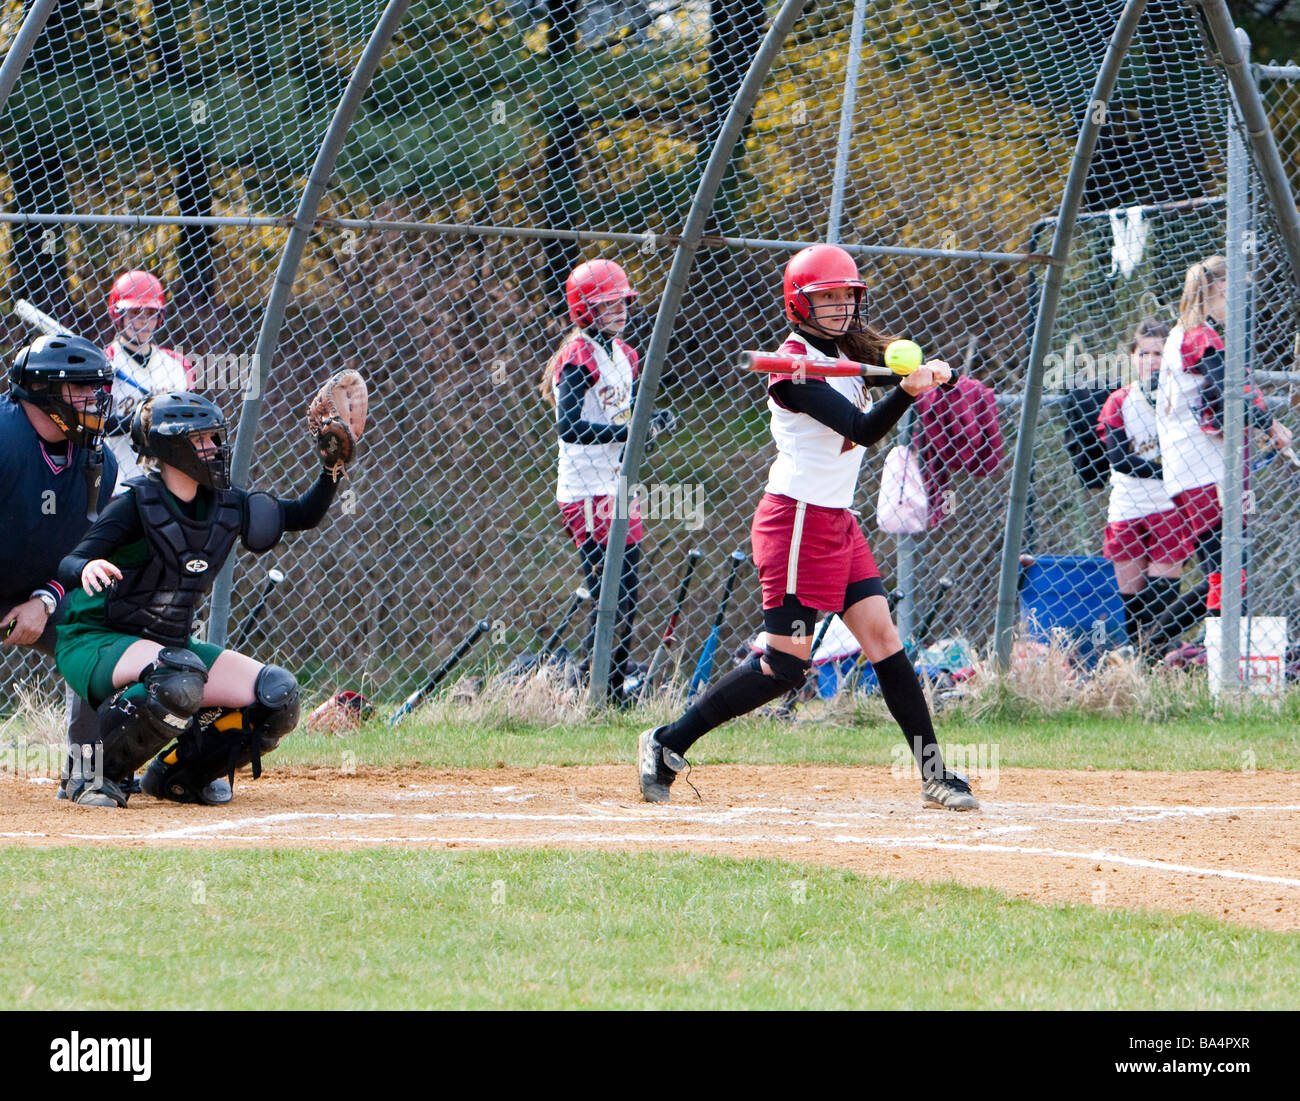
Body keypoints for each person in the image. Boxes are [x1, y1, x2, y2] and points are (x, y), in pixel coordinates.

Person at [637, 244, 977, 810]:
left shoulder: (848, 346)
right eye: (827, 299)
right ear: (800, 304)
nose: (841, 308)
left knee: (883, 640)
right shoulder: (791, 371)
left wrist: (931, 369)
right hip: (795, 521)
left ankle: (935, 775)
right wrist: (906, 391)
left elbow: (892, 358)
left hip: (838, 520)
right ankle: (667, 743)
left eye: (847, 297)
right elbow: (863, 428)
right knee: (784, 667)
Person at [54, 390, 347, 807]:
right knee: (177, 679)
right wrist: (86, 569)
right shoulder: (135, 504)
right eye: (204, 440)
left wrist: (331, 468)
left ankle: (178, 775)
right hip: (96, 639)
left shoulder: (227, 505)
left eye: (215, 438)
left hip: (171, 646)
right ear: (172, 447)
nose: (216, 449)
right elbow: (72, 560)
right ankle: (93, 773)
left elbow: (302, 514)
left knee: (277, 696)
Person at [538, 258, 673, 702]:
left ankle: (609, 684)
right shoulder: (577, 356)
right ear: (584, 310)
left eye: (621, 303)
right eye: (607, 305)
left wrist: (650, 424)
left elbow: (625, 424)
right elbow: (569, 426)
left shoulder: (626, 356)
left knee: (627, 591)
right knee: (608, 590)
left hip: (617, 488)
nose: (619, 311)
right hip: (586, 491)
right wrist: (630, 433)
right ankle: (593, 686)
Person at [1146, 255, 1293, 654]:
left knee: (1227, 568)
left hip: (1202, 468)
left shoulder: (1197, 333)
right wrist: (1269, 425)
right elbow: (1225, 388)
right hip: (1202, 469)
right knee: (1228, 565)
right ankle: (1186, 650)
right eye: (1237, 288)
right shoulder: (1196, 334)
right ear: (1219, 288)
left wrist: (1262, 424)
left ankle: (1191, 650)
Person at [1, 335, 118, 784]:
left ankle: (88, 773)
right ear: (45, 390)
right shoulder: (5, 439)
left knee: (102, 625)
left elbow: (82, 556)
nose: (95, 400)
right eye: (82, 389)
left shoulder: (100, 462)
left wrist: (45, 601)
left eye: (97, 388)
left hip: (33, 592)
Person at [1095, 319, 1190, 653]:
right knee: (1131, 599)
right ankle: (1138, 662)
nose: (1151, 360)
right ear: (1133, 357)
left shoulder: (1182, 400)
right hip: (1127, 505)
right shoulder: (1119, 401)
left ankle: (1161, 656)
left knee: (1161, 595)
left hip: (1169, 507)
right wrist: (1169, 471)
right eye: (1144, 353)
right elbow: (1120, 459)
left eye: (1159, 353)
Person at [103, 270, 197, 490]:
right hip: (119, 484)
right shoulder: (105, 363)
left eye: (150, 313)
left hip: (169, 484)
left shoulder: (177, 364)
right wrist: (140, 419)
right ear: (118, 313)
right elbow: (94, 426)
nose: (142, 321)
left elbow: (192, 420)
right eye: (135, 311)